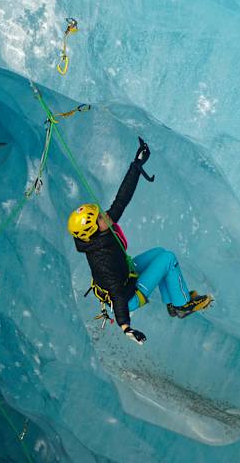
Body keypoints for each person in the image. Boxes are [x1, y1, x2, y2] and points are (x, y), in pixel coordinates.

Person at [67, 137, 213, 345]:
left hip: (127, 274)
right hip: (130, 296)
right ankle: (182, 305)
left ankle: (172, 302)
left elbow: (121, 201)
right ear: (92, 229)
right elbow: (117, 296)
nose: (104, 215)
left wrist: (136, 166)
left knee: (159, 252)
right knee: (168, 258)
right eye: (99, 216)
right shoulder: (102, 260)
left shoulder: (101, 231)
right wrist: (127, 328)